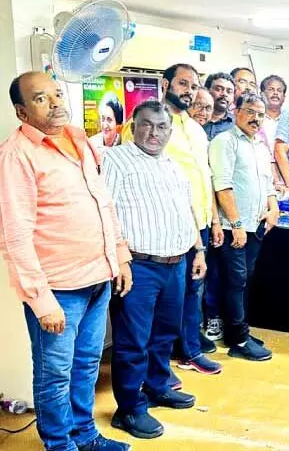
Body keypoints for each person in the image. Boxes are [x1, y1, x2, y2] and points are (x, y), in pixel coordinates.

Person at [0, 72, 132, 451]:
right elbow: (15, 235)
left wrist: (120, 257)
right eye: (41, 98)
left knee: (87, 365)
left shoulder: (79, 139)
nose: (56, 102)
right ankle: (59, 445)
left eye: (57, 93)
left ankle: (85, 436)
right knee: (54, 375)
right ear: (22, 112)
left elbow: (103, 204)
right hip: (59, 290)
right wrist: (41, 301)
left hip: (98, 279)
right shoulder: (16, 155)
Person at [105, 100, 208, 440]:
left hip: (176, 263)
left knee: (165, 333)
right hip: (139, 266)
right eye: (146, 125)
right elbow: (105, 212)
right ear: (132, 126)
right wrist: (120, 260)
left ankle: (157, 387)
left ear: (169, 130)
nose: (154, 133)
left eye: (162, 126)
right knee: (133, 341)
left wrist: (198, 250)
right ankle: (129, 408)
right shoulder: (115, 160)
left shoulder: (172, 165)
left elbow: (186, 211)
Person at [122, 64, 221, 377]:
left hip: (196, 224)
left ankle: (188, 351)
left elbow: (205, 176)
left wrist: (214, 220)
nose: (189, 91)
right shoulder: (146, 124)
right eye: (183, 83)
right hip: (158, 233)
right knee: (157, 305)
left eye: (194, 85)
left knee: (192, 291)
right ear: (165, 84)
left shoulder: (195, 128)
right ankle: (158, 368)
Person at [210, 92, 279, 361]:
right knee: (235, 281)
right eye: (250, 111)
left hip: (256, 225)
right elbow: (222, 186)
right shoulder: (224, 142)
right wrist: (236, 223)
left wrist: (273, 208)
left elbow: (268, 183)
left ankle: (239, 332)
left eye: (260, 114)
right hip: (234, 228)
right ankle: (239, 340)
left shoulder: (259, 145)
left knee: (245, 281)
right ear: (236, 111)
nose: (256, 118)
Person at [259, 74, 287, 190]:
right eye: (271, 89)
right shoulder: (255, 119)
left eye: (279, 90)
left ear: (284, 97)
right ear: (261, 94)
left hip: (288, 180)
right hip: (261, 179)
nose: (275, 93)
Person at [203, 72, 236, 140]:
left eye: (229, 91)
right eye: (218, 89)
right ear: (206, 91)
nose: (224, 94)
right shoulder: (194, 117)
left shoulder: (237, 124)